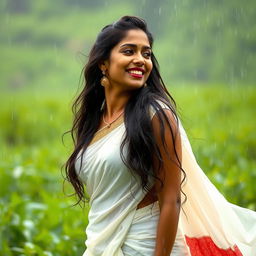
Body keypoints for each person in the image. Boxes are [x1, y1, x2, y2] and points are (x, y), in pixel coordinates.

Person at [65, 16, 256, 256]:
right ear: (104, 63)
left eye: (146, 53)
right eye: (128, 51)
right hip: (100, 243)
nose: (140, 60)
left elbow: (171, 199)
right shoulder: (94, 120)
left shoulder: (156, 115)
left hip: (144, 246)